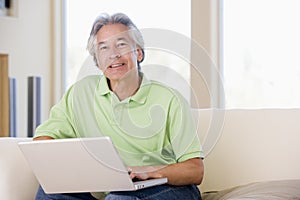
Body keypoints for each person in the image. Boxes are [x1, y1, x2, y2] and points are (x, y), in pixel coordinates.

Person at [33, 12, 204, 200]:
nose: (113, 55)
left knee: (119, 198)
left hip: (167, 188)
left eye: (121, 44)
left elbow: (195, 170)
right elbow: (43, 141)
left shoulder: (170, 99)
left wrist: (152, 171)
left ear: (138, 53)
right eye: (103, 48)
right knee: (50, 192)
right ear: (97, 61)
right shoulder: (80, 93)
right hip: (110, 192)